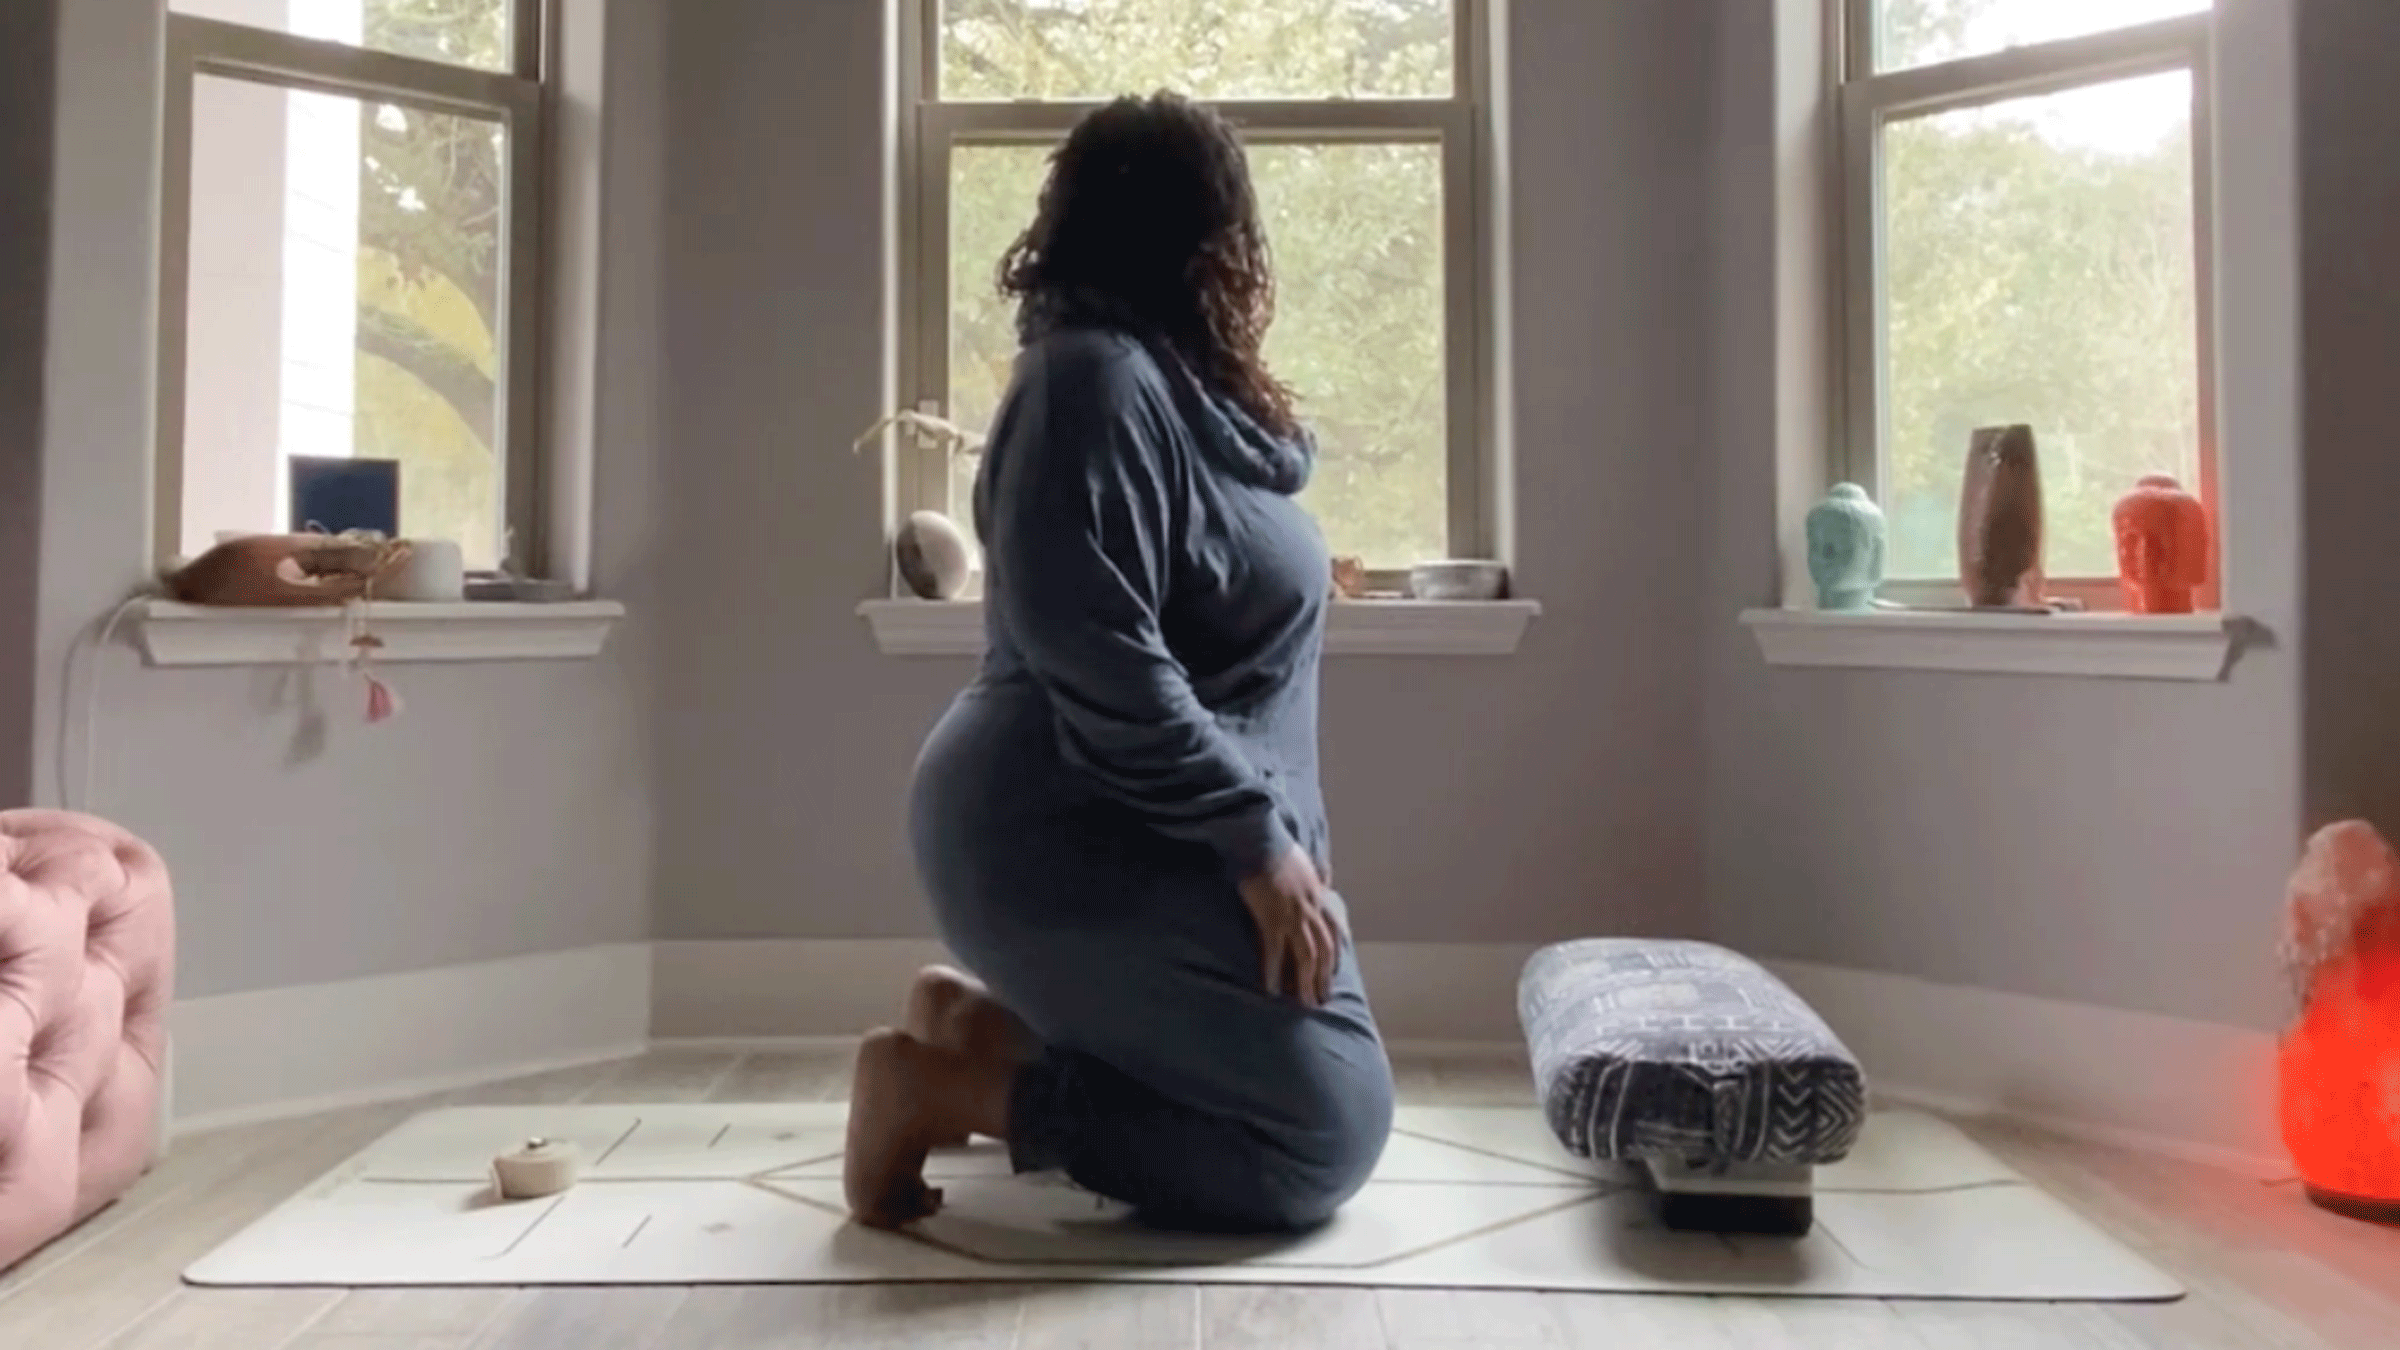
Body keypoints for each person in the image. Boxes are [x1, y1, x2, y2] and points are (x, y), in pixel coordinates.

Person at [842, 91, 1395, 1234]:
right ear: (1208, 237)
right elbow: (1096, 652)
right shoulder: (1088, 382)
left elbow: (1200, 601)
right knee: (1320, 1135)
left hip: (1157, 829)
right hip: (1067, 826)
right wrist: (1255, 840)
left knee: (1317, 1101)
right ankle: (940, 1089)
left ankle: (973, 1029)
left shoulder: (1183, 392)